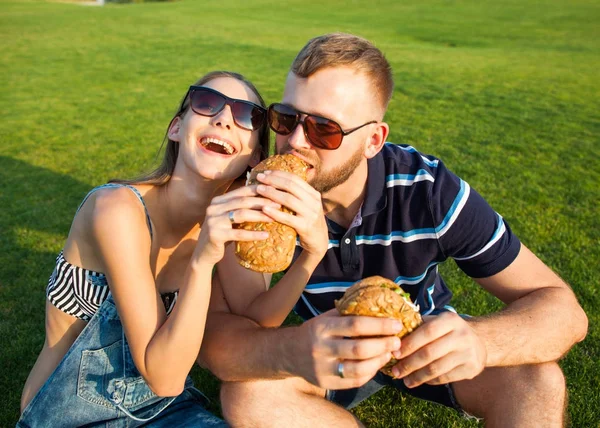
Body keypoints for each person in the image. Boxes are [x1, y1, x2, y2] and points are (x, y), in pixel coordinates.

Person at [199, 34, 589, 428]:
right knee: (247, 395)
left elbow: (564, 312)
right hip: (330, 353)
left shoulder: (428, 190)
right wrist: (293, 348)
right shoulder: (263, 195)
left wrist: (481, 341)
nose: (295, 141)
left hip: (423, 343)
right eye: (286, 118)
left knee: (537, 379)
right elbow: (219, 339)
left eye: (324, 129)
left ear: (373, 141)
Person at [18, 70, 274, 427]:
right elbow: (165, 379)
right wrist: (202, 260)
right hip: (65, 416)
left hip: (162, 410)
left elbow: (257, 318)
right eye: (206, 102)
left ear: (254, 157)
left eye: (247, 115)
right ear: (176, 128)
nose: (224, 119)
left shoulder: (224, 222)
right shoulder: (117, 210)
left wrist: (310, 253)